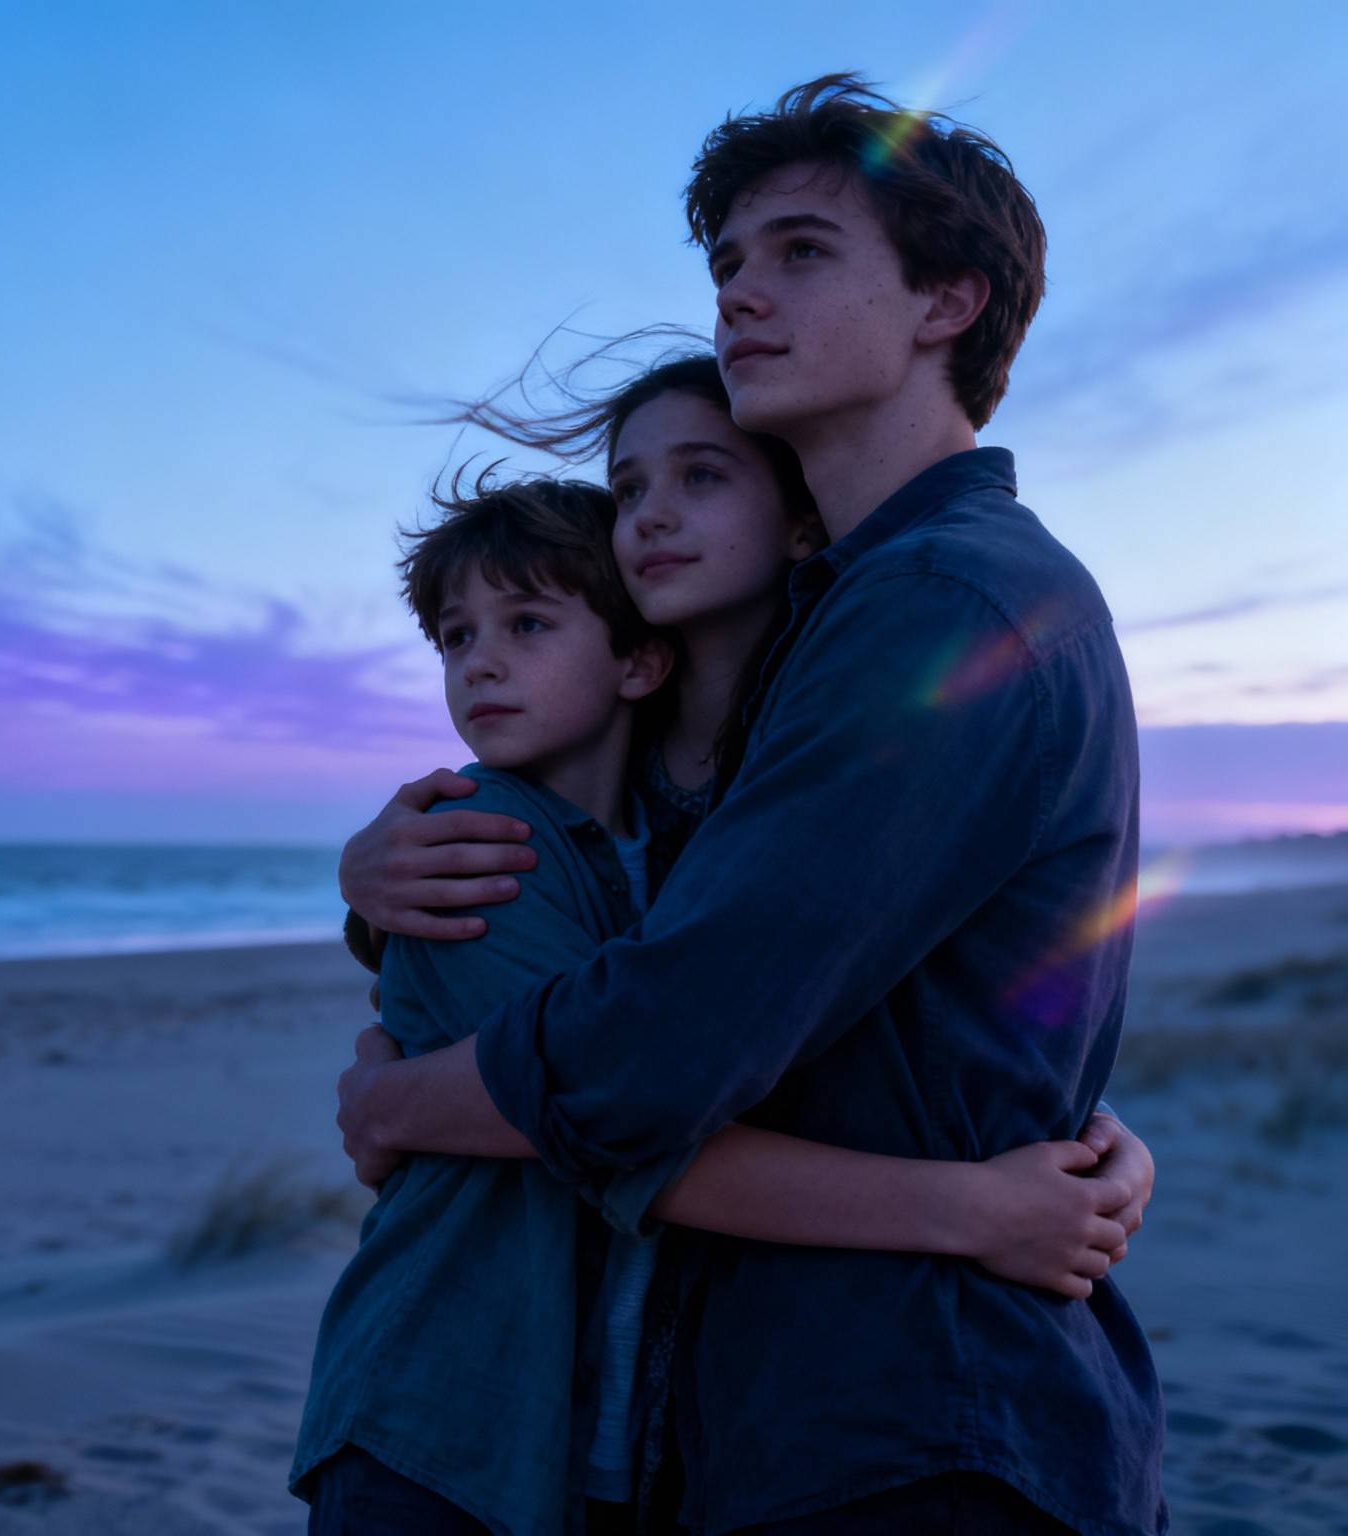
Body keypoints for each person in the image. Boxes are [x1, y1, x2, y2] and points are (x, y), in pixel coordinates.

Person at [332, 77, 1164, 1534]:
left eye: (797, 253)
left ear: (946, 303)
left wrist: (404, 1098)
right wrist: (368, 890)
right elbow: (896, 1004)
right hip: (783, 1424)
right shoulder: (827, 644)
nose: (741, 297)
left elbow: (666, 1040)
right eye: (725, 264)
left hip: (916, 1426)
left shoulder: (947, 610)